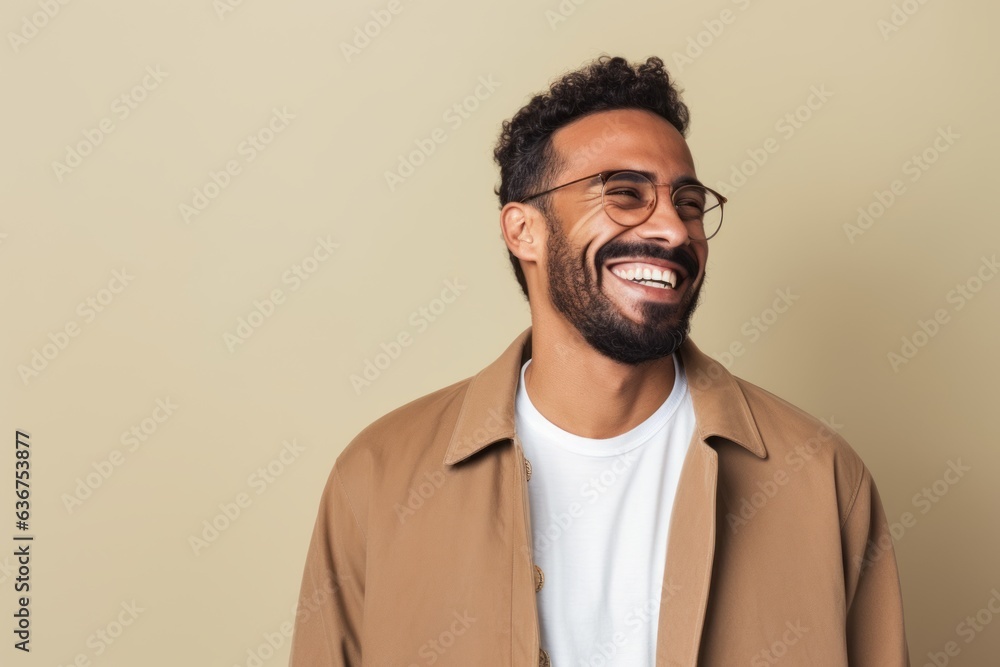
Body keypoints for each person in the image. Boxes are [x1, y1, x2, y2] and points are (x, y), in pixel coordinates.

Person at [288, 55, 909, 666]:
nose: (672, 228)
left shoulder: (821, 479)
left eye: (688, 202)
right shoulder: (378, 479)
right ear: (523, 231)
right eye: (623, 194)